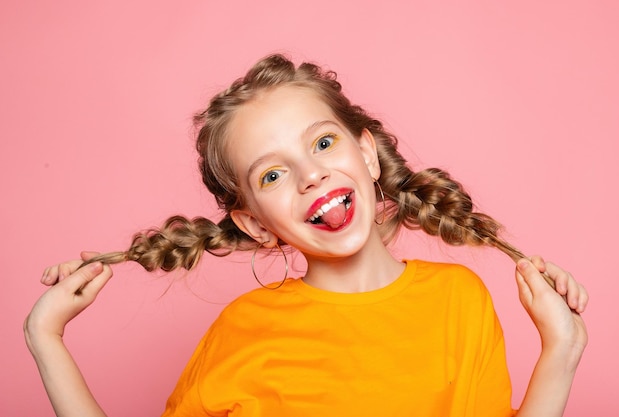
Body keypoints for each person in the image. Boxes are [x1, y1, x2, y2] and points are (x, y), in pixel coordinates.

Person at [24, 54, 588, 417]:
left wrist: (560, 352)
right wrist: (45, 339)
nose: (310, 174)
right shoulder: (240, 332)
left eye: (322, 143)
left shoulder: (459, 300)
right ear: (255, 225)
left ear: (366, 154)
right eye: (272, 174)